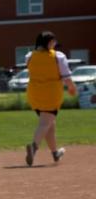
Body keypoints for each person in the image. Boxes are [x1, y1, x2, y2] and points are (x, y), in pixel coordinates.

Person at [24, 30, 77, 166]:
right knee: (45, 123)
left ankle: (55, 153)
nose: (54, 44)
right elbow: (66, 77)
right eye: (53, 42)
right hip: (51, 93)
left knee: (49, 123)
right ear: (48, 42)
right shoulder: (58, 57)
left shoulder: (29, 56)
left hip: (34, 93)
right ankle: (33, 147)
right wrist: (72, 88)